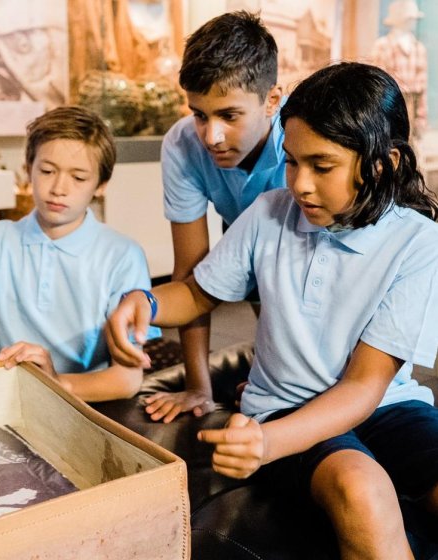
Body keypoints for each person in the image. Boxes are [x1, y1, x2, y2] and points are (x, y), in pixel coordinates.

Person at [107, 62, 438, 558]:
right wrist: (146, 300)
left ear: (382, 163)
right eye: (291, 161)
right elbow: (197, 294)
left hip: (383, 406)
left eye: (321, 166)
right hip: (284, 410)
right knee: (363, 489)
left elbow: (366, 385)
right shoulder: (268, 213)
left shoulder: (419, 243)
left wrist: (266, 443)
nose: (300, 184)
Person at [0, 105, 159, 402]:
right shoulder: (0, 238)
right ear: (27, 169)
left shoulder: (122, 255)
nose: (58, 188)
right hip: (10, 399)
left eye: (78, 178)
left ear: (101, 185)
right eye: (47, 171)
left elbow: (127, 379)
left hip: (83, 407)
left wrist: (54, 382)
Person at [148, 10, 286, 422]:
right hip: (240, 226)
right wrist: (197, 387)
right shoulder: (182, 144)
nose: (212, 136)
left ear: (272, 101)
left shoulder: (303, 135)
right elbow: (190, 273)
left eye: (229, 115)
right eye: (200, 113)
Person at [371, 0, 427, 139]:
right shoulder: (382, 46)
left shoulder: (418, 48)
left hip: (410, 107)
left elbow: (422, 88)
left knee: (409, 144)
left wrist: (421, 117)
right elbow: (375, 84)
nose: (413, 22)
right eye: (410, 18)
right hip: (388, 104)